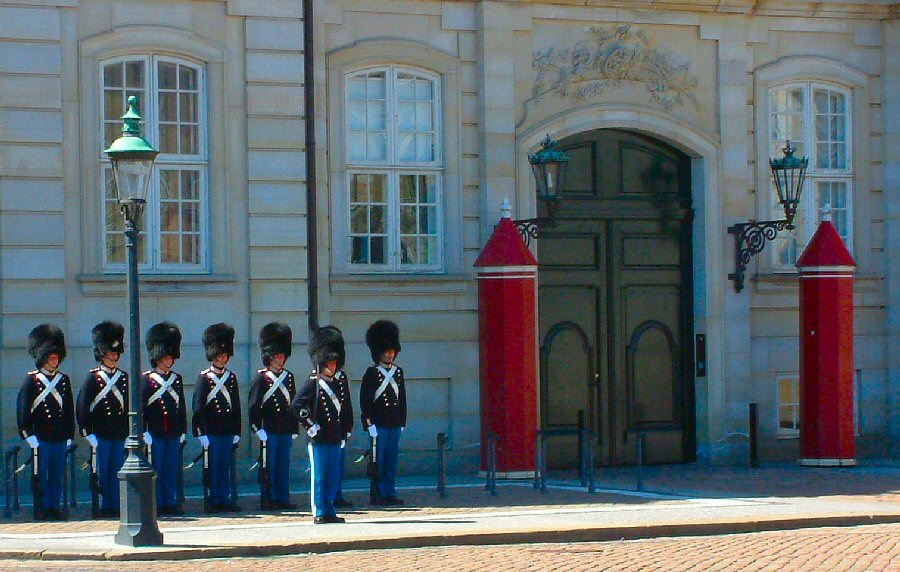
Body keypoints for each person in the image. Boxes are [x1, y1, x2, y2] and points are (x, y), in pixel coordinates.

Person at [292, 326, 353, 524]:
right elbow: (297, 405)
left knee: (332, 477)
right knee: (319, 477)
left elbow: (342, 410)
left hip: (334, 436)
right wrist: (310, 425)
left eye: (335, 363)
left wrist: (344, 432)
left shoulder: (337, 383)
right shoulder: (313, 384)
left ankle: (330, 509)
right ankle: (319, 511)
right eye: (329, 363)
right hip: (318, 438)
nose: (333, 367)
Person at [16, 324, 74, 521]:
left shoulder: (63, 380)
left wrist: (69, 435)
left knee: (56, 475)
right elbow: (23, 408)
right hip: (40, 437)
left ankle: (54, 506)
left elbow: (68, 410)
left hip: (58, 436)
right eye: (51, 357)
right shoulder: (31, 380)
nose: (55, 360)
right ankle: (41, 508)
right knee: (40, 476)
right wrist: (27, 434)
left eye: (57, 357)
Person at [76, 320, 128, 518]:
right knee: (102, 472)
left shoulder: (123, 377)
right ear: (102, 354)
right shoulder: (93, 378)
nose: (114, 357)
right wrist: (87, 432)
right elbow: (82, 406)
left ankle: (115, 504)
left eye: (116, 354)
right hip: (100, 433)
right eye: (111, 354)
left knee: (117, 472)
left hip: (119, 433)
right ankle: (102, 506)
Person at [248, 322, 299, 510]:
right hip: (268, 429)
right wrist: (257, 429)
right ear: (269, 357)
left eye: (282, 355)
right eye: (277, 356)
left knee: (283, 467)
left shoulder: (288, 377)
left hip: (284, 429)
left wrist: (294, 428)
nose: (281, 359)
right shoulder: (261, 378)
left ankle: (282, 498)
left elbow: (292, 404)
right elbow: (253, 406)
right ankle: (269, 498)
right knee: (269, 467)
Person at [193, 323, 242, 512]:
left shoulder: (230, 378)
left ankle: (224, 498)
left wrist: (237, 431)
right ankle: (214, 498)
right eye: (220, 355)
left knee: (225, 468)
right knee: (212, 468)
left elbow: (235, 406)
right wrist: (200, 432)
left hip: (227, 430)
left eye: (225, 355)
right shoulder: (204, 378)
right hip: (212, 430)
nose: (223, 358)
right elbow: (198, 407)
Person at [142, 321, 187, 516]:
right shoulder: (146, 380)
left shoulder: (175, 379)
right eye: (165, 357)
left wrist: (183, 430)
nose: (169, 361)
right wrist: (144, 431)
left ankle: (169, 501)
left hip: (172, 432)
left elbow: (181, 407)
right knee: (156, 470)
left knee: (170, 469)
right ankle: (156, 502)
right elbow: (141, 408)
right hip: (155, 432)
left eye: (170, 357)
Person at [360, 320, 407, 505]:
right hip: (378, 424)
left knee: (391, 461)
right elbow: (365, 401)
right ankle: (377, 492)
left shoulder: (398, 372)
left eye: (392, 351)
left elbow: (401, 398)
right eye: (386, 351)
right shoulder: (372, 373)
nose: (389, 354)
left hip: (394, 423)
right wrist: (368, 423)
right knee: (377, 461)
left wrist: (402, 421)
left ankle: (390, 491)